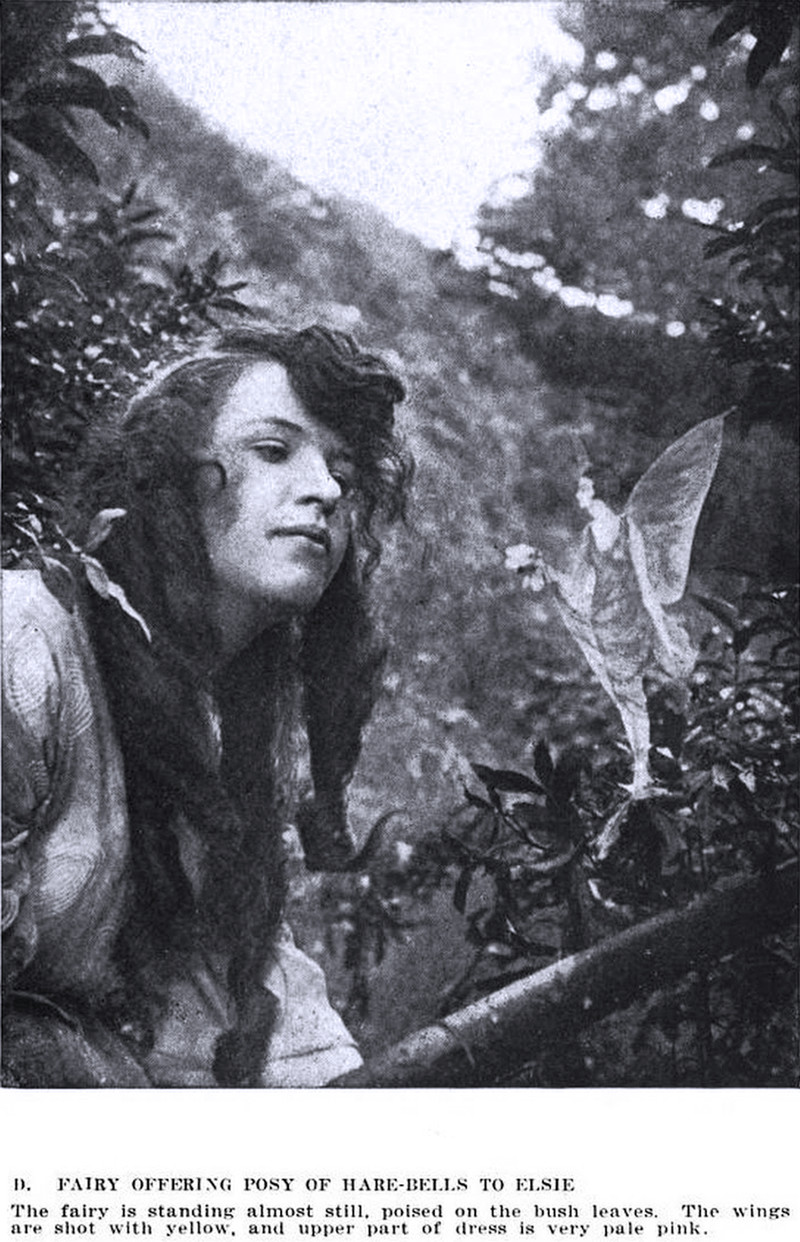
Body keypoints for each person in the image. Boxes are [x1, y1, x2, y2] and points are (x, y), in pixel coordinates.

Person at [2, 325, 411, 1087]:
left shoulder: (217, 726)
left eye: (343, 472)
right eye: (274, 450)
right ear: (171, 477)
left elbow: (245, 1000)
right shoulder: (24, 639)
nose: (326, 490)